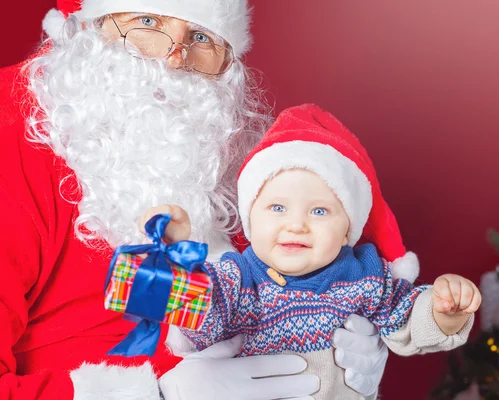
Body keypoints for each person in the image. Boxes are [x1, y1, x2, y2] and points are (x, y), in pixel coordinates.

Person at [0, 1, 388, 399]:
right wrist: (157, 394)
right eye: (147, 21)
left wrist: (348, 355)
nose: (174, 58)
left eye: (201, 37)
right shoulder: (10, 124)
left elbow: (283, 292)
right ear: (92, 25)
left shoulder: (234, 153)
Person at [142, 104, 481, 399]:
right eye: (277, 208)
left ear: (348, 229)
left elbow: (406, 318)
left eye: (319, 211)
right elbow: (200, 317)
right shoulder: (240, 279)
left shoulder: (365, 276)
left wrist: (444, 312)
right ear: (250, 221)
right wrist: (172, 258)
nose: (296, 225)